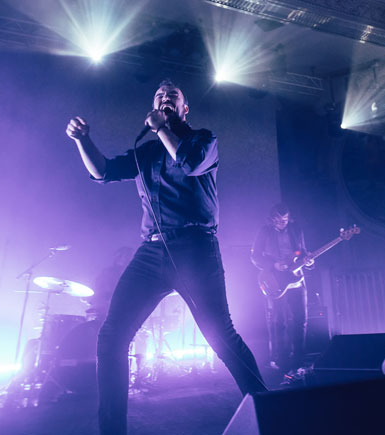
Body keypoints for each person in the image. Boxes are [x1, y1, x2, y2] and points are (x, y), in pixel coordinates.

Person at [66, 79, 265, 435]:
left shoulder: (204, 139)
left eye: (173, 95)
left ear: (185, 108)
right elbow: (103, 172)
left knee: (221, 336)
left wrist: (161, 128)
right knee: (111, 336)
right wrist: (83, 140)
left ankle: (270, 410)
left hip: (195, 247)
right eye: (159, 95)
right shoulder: (145, 152)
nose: (165, 97)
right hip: (152, 250)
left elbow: (189, 163)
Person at [250, 203, 310, 375]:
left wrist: (309, 261)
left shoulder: (296, 230)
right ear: (272, 219)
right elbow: (255, 256)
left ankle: (299, 362)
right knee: (279, 321)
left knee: (301, 320)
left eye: (285, 220)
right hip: (275, 279)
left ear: (289, 218)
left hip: (296, 279)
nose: (282, 223)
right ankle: (280, 361)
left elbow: (302, 252)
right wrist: (274, 265)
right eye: (278, 220)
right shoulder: (264, 231)